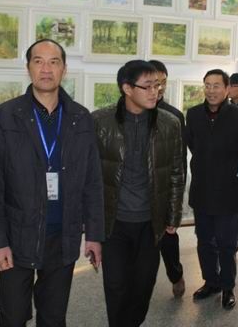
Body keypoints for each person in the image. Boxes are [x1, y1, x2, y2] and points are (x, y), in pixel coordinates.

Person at [0, 39, 104, 327]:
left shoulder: (80, 118)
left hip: (63, 236)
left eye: (54, 62)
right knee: (12, 316)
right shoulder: (6, 116)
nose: (46, 69)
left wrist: (94, 234)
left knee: (54, 317)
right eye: (38, 61)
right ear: (28, 68)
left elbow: (93, 181)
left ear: (64, 69)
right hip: (17, 236)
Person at [92, 60, 184, 327]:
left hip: (150, 222)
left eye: (157, 85)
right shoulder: (99, 122)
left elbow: (177, 172)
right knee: (116, 285)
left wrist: (173, 215)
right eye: (147, 86)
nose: (155, 91)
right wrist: (90, 221)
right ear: (127, 88)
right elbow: (88, 175)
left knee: (143, 285)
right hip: (114, 221)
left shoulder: (170, 123)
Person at [186, 69, 238, 309]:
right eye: (207, 85)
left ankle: (227, 286)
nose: (211, 90)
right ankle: (211, 282)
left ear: (226, 89)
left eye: (216, 86)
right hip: (202, 190)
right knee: (204, 242)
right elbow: (192, 145)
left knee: (227, 245)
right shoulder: (193, 114)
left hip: (229, 192)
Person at [149, 59, 187, 298]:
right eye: (154, 82)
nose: (159, 88)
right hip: (138, 192)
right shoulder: (132, 110)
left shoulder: (174, 116)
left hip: (164, 191)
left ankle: (176, 275)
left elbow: (180, 161)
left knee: (168, 240)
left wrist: (177, 198)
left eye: (163, 82)